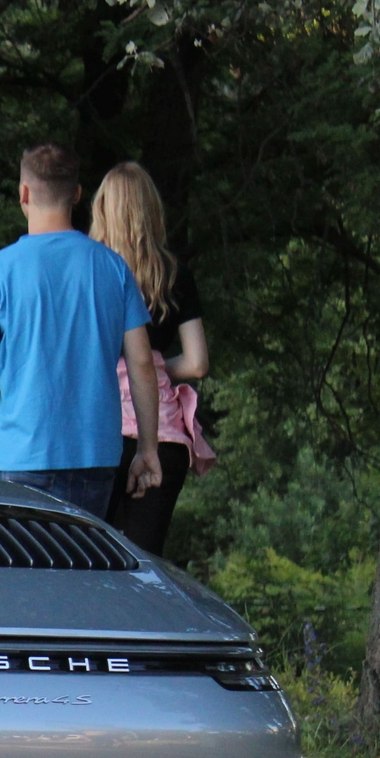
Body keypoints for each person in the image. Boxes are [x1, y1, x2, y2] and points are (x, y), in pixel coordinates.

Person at [0, 142, 162, 517]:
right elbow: (141, 365)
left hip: (24, 457)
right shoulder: (114, 269)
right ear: (76, 194)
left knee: (31, 573)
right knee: (84, 572)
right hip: (96, 457)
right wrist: (148, 449)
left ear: (23, 193)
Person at [91, 162, 214, 555]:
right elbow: (197, 363)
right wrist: (154, 365)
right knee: (144, 567)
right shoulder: (176, 273)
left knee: (88, 560)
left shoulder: (90, 272)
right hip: (161, 434)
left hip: (99, 429)